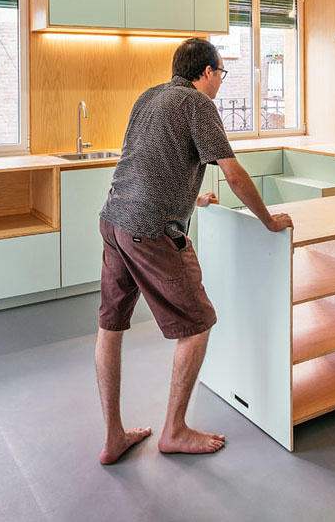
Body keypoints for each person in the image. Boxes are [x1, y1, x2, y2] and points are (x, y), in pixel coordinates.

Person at [94, 37, 293, 465]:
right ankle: (175, 430)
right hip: (150, 230)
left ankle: (113, 437)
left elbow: (151, 160)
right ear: (205, 72)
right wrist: (270, 221)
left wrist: (192, 199)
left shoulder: (150, 97)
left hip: (114, 219)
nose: (220, 82)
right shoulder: (198, 104)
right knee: (198, 323)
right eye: (220, 73)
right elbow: (234, 174)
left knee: (110, 326)